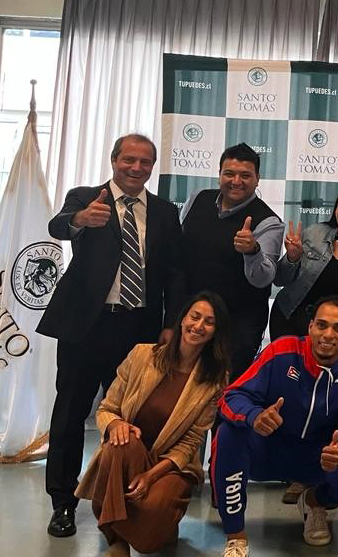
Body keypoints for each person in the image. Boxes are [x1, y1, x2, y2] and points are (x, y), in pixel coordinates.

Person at [38, 133, 184, 538]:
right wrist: (79, 220)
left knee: (131, 419)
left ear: (153, 166)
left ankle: (121, 500)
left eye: (145, 162)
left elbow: (175, 272)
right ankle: (62, 503)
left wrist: (171, 323)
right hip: (87, 326)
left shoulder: (165, 212)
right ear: (114, 160)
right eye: (129, 160)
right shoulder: (86, 196)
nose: (136, 168)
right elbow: (59, 225)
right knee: (70, 413)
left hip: (140, 330)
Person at [213, 296, 338, 557]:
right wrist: (255, 416)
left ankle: (313, 502)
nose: (328, 334)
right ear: (310, 327)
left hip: (318, 459)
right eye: (322, 325)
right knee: (228, 433)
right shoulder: (282, 350)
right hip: (269, 450)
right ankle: (236, 536)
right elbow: (232, 397)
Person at [75, 292, 232, 556]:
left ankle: (161, 527)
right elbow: (107, 408)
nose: (199, 326)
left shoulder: (215, 380)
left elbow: (191, 443)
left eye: (209, 322)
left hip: (170, 465)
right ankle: (117, 542)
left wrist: (150, 476)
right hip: (128, 454)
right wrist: (115, 425)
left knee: (150, 536)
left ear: (216, 332)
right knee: (118, 445)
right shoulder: (142, 355)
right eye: (194, 317)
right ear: (182, 320)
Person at [178, 143, 282, 376]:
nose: (236, 181)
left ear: (257, 179)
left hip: (237, 326)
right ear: (219, 175)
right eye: (229, 173)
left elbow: (264, 278)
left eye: (245, 175)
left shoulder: (269, 222)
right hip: (192, 317)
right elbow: (179, 256)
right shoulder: (197, 199)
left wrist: (252, 250)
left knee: (224, 391)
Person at [272, 185, 338, 341]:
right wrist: (292, 258)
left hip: (331, 335)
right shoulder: (315, 233)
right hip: (288, 318)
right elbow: (280, 279)